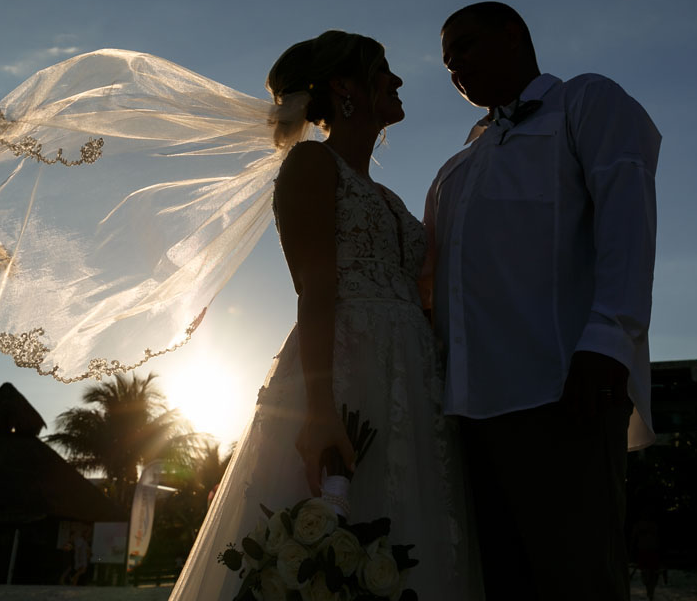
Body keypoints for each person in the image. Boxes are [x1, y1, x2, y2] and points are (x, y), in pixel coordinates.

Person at [169, 31, 482, 600]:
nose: (398, 80)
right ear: (344, 86)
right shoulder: (311, 164)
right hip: (346, 372)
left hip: (414, 379)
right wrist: (319, 411)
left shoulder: (387, 197)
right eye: (383, 69)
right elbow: (314, 289)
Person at [423, 1, 661, 599]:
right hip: (466, 415)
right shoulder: (458, 167)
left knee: (577, 577)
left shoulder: (584, 102)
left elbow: (627, 212)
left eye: (466, 48)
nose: (456, 68)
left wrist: (610, 337)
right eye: (448, 63)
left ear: (513, 35)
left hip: (561, 393)